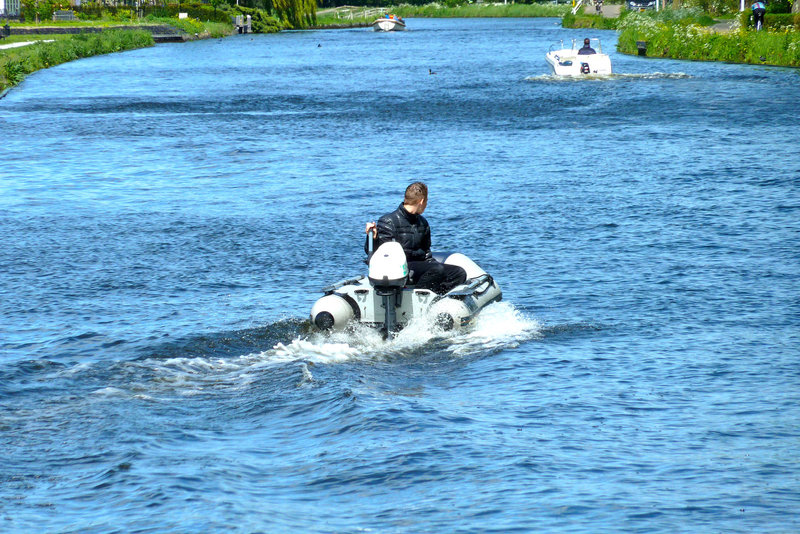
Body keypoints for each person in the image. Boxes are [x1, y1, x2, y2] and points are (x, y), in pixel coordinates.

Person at [365, 182, 466, 295]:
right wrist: (373, 238)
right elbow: (380, 254)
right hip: (398, 268)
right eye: (427, 202)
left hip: (419, 266)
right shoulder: (388, 221)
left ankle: (436, 299)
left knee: (459, 272)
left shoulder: (423, 223)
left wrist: (438, 267)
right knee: (437, 270)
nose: (426, 205)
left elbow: (427, 255)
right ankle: (418, 297)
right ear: (422, 201)